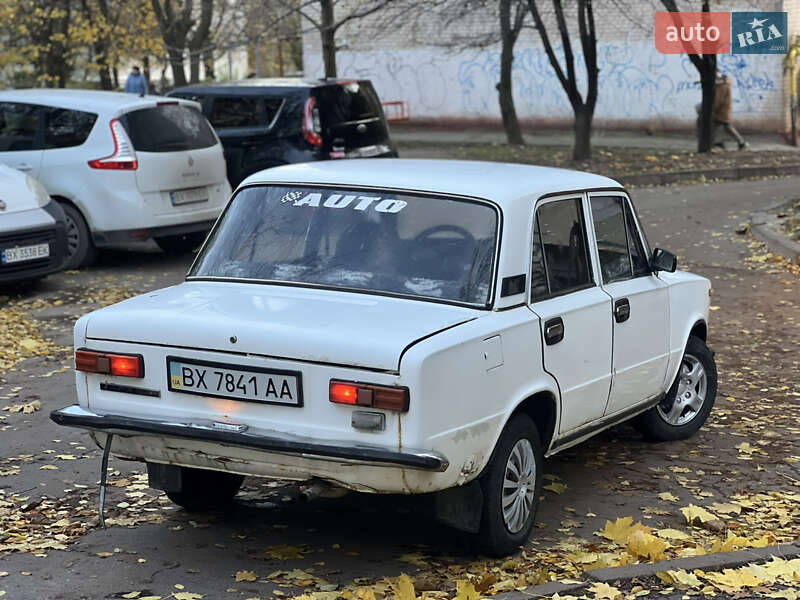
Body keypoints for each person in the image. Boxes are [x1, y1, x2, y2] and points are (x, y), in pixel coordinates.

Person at [713, 71, 748, 150]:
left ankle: (717, 142)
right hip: (724, 109)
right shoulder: (725, 83)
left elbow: (718, 99)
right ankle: (740, 142)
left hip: (721, 110)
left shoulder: (721, 86)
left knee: (717, 126)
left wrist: (713, 109)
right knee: (726, 127)